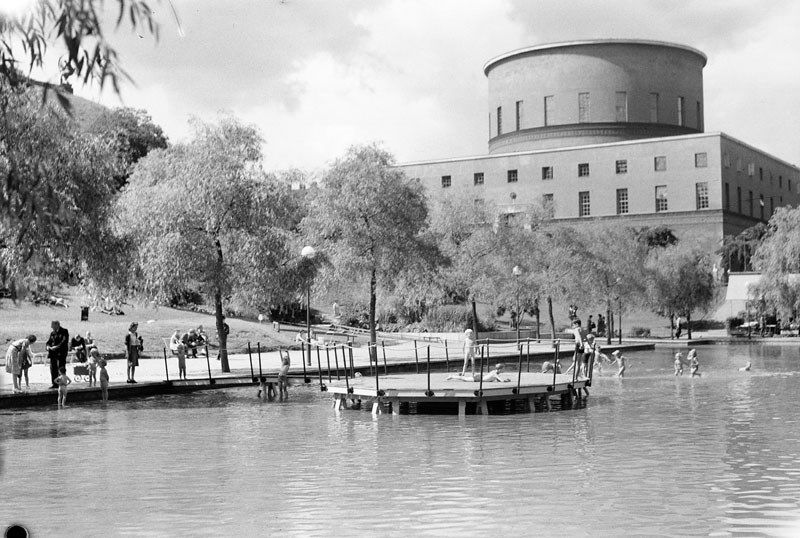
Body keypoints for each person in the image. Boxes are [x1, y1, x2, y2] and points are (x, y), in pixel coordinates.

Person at [46, 320, 70, 389]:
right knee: (53, 368)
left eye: (52, 325)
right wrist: (48, 347)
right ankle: (54, 383)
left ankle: (62, 383)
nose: (51, 327)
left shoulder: (64, 331)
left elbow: (64, 341)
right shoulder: (52, 333)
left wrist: (56, 347)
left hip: (61, 352)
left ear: (57, 325)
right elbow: (49, 342)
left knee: (61, 367)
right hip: (53, 353)